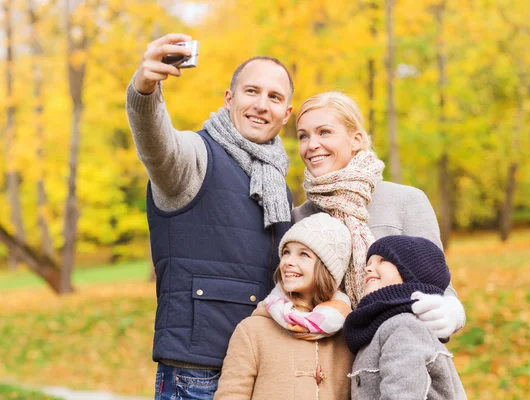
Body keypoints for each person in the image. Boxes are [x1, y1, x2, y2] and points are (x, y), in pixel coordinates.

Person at [126, 33, 295, 399]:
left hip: (261, 373)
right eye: (252, 92)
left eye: (274, 97)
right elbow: (158, 147)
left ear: (286, 114)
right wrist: (144, 93)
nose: (262, 105)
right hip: (198, 375)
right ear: (229, 98)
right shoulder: (195, 158)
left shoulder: (278, 186)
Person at [293, 91, 466, 339]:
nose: (311, 145)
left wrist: (451, 312)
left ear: (356, 139)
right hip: (323, 365)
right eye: (303, 136)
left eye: (324, 132)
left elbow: (440, 285)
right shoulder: (300, 217)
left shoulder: (406, 201)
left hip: (393, 353)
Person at [214, 213, 355, 399]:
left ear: (327, 268)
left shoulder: (347, 335)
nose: (288, 262)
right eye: (286, 252)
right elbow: (231, 394)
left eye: (304, 254)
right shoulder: (252, 330)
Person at [344, 235, 467, 399]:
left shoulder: (403, 326)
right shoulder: (381, 327)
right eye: (368, 263)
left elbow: (402, 394)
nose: (368, 268)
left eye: (382, 260)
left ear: (412, 273)